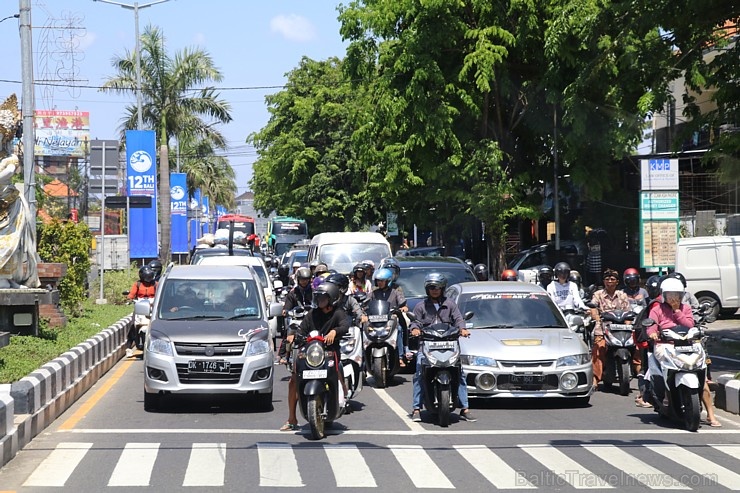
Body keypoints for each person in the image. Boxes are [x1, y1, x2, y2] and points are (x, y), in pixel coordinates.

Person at [646, 278, 721, 427]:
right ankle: (667, 395)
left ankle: (711, 415)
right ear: (663, 294)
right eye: (670, 294)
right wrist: (653, 333)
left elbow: (689, 324)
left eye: (677, 294)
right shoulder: (657, 309)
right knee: (665, 369)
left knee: (702, 377)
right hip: (665, 345)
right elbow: (651, 326)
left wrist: (677, 311)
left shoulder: (685, 308)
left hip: (688, 344)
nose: (674, 298)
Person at [280, 281, 349, 431]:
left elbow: (345, 325)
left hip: (329, 353)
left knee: (337, 373)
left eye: (323, 298)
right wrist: (293, 337)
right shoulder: (312, 314)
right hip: (311, 353)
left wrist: (335, 332)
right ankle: (292, 418)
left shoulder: (338, 312)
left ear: (332, 298)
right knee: (293, 380)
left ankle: (343, 395)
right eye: (318, 298)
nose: (319, 301)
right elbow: (301, 330)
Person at [409, 273, 475, 423]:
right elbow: (415, 322)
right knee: (419, 374)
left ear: (443, 288)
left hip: (450, 345)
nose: (435, 290)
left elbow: (459, 319)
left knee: (461, 373)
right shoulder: (421, 307)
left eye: (438, 287)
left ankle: (465, 409)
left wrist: (462, 329)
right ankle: (416, 409)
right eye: (432, 287)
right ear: (427, 289)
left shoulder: (450, 304)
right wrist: (414, 329)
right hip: (427, 346)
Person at [589, 268, 631, 389]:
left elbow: (627, 311)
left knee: (636, 346)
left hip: (620, 327)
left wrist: (628, 324)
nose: (610, 281)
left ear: (617, 282)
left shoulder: (622, 295)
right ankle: (595, 379)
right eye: (607, 279)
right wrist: (596, 317)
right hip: (603, 326)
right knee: (599, 348)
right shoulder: (598, 294)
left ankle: (639, 372)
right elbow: (593, 307)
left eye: (612, 279)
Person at [369, 267, 409, 367]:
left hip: (391, 320)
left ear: (388, 281)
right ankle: (365, 358)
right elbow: (366, 302)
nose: (379, 283)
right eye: (378, 280)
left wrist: (403, 308)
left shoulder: (395, 292)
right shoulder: (374, 292)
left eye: (382, 281)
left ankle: (400, 356)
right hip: (376, 320)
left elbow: (402, 303)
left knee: (399, 329)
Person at [278, 267, 313, 364]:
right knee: (289, 335)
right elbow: (287, 306)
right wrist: (285, 310)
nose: (304, 282)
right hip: (296, 318)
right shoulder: (293, 293)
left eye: (306, 279)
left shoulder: (314, 292)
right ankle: (285, 355)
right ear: (298, 279)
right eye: (302, 279)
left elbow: (319, 303)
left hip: (311, 319)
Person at [126, 266, 158, 357]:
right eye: (146, 277)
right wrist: (129, 299)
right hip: (140, 307)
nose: (148, 279)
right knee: (133, 325)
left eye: (150, 277)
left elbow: (160, 293)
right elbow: (132, 294)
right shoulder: (138, 284)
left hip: (152, 307)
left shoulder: (156, 284)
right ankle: (128, 347)